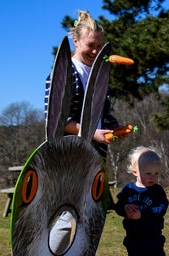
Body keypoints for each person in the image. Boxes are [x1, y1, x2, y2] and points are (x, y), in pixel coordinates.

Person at [44, 10, 119, 158]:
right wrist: (91, 133)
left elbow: (101, 113)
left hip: (96, 156)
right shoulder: (62, 74)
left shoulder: (100, 75)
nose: (95, 51)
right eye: (90, 45)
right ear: (75, 41)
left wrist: (114, 128)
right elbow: (56, 118)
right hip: (66, 155)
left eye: (99, 46)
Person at [114, 147, 169, 256]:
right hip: (133, 238)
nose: (153, 177)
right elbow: (118, 207)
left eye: (156, 173)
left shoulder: (157, 192)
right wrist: (125, 208)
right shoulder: (127, 190)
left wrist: (142, 214)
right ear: (135, 172)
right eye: (148, 173)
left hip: (153, 238)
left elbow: (161, 209)